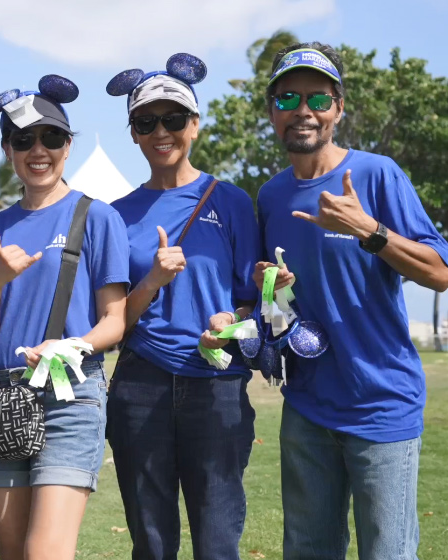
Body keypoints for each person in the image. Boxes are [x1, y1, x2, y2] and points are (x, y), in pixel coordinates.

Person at [256, 41, 448, 560]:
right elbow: (278, 311)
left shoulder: (376, 173)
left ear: (338, 108)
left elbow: (440, 273)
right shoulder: (270, 197)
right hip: (307, 407)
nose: (304, 112)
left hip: (381, 404)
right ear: (272, 110)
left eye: (319, 100)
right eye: (289, 98)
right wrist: (271, 292)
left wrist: (369, 229)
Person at [0, 75, 129, 560]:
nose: (39, 150)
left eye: (52, 137)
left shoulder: (97, 218)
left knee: (46, 553)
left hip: (70, 393)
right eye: (24, 139)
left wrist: (73, 345)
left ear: (68, 144)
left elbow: (114, 321)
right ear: (7, 149)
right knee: (12, 552)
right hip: (1, 392)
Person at [104, 54, 260, 560]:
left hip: (217, 388)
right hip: (140, 386)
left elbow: (253, 303)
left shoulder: (231, 202)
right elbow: (111, 322)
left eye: (173, 119)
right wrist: (151, 280)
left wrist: (231, 324)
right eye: (146, 122)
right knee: (151, 543)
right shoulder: (114, 217)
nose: (161, 132)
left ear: (194, 124)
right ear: (133, 133)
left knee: (217, 542)